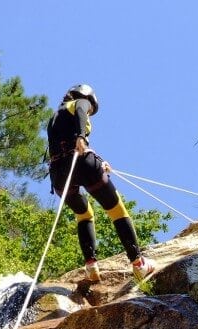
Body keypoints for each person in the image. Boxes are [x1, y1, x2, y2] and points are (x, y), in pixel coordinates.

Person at [47, 84, 156, 283]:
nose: (89, 111)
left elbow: (64, 144)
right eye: (90, 109)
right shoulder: (79, 102)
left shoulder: (54, 118)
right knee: (116, 209)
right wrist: (81, 136)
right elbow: (81, 111)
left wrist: (98, 158)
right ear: (86, 96)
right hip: (81, 162)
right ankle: (139, 264)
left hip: (58, 176)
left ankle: (91, 265)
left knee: (84, 214)